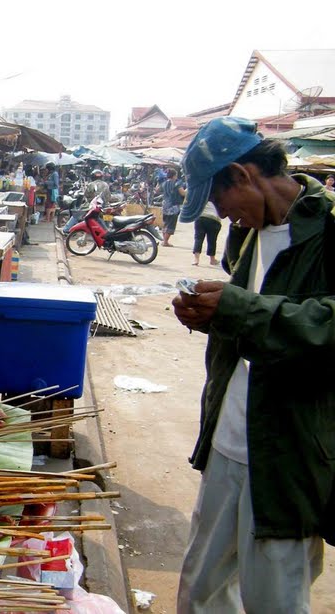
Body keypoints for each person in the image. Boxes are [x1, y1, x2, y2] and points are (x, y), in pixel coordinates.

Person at [172, 117, 335, 613]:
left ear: (242, 175)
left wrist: (239, 310)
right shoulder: (247, 236)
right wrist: (210, 317)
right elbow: (259, 325)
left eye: (219, 201)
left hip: (290, 451)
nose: (221, 214)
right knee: (201, 589)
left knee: (274, 597)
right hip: (229, 439)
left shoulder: (326, 231)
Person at [191, 200, 222, 266]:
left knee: (198, 239)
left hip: (201, 217)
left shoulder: (203, 196)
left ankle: (196, 259)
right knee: (212, 240)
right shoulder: (219, 198)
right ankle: (212, 259)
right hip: (214, 219)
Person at [160, 168, 185, 246]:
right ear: (174, 175)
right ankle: (165, 241)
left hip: (165, 205)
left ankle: (164, 241)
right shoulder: (177, 183)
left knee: (165, 223)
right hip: (173, 206)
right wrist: (188, 190)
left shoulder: (164, 183)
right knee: (171, 224)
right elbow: (182, 193)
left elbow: (157, 190)